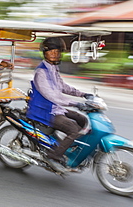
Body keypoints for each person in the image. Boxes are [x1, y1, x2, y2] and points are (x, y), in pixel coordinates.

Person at [26, 37, 93, 166]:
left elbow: (63, 86)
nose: (55, 54)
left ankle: (69, 146)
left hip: (55, 108)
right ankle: (54, 155)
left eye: (57, 52)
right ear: (45, 53)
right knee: (74, 129)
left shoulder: (53, 69)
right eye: (52, 52)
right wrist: (76, 103)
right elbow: (52, 96)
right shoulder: (41, 72)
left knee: (83, 120)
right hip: (44, 111)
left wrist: (84, 94)